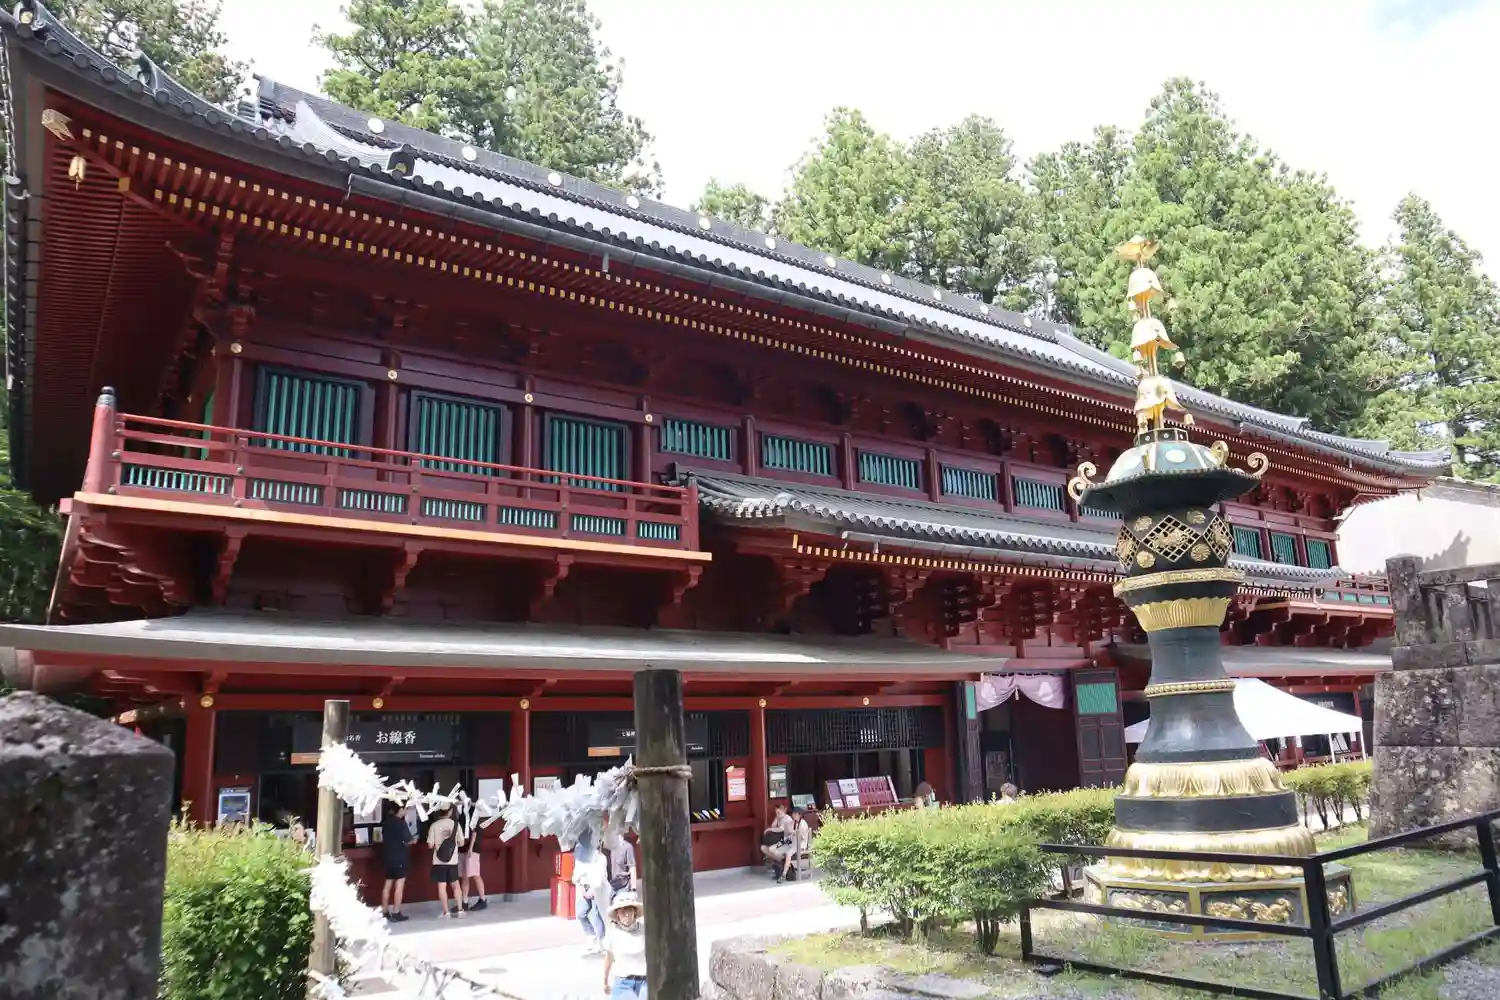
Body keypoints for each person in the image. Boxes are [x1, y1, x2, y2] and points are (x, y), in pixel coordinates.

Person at [602, 890, 647, 999]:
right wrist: (605, 981)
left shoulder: (645, 930)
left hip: (645, 981)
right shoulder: (612, 932)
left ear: (634, 912)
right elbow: (609, 958)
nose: (626, 914)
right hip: (622, 982)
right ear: (617, 914)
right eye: (622, 911)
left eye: (629, 910)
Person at [427, 805, 465, 918]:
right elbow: (462, 843)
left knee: (442, 887)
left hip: (439, 861)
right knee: (456, 886)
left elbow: (430, 845)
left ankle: (446, 912)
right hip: (452, 860)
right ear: (450, 811)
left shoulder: (434, 825)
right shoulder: (456, 825)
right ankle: (460, 910)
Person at [380, 800, 413, 922]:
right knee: (399, 885)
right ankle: (396, 912)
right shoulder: (401, 823)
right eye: (405, 808)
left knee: (387, 885)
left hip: (387, 856)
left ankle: (384, 911)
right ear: (400, 809)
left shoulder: (386, 822)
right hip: (399, 857)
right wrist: (412, 840)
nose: (406, 811)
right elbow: (408, 840)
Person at [573, 844, 608, 954]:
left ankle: (601, 941)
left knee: (596, 914)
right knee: (580, 913)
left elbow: (600, 876)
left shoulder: (600, 858)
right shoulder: (581, 857)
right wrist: (583, 888)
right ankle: (591, 935)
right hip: (585, 887)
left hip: (597, 888)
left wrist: (593, 889)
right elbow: (577, 875)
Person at [777, 807, 812, 883]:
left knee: (788, 853)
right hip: (793, 843)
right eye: (793, 814)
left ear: (799, 815)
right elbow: (789, 833)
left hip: (800, 844)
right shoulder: (794, 822)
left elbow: (801, 835)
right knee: (779, 850)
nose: (794, 815)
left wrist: (794, 832)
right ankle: (786, 869)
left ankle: (784, 874)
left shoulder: (803, 823)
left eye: (795, 814)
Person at [759, 804, 795, 875]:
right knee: (763, 848)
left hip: (788, 841)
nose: (777, 814)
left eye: (778, 812)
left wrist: (769, 829)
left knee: (771, 849)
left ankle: (783, 863)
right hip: (780, 840)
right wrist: (776, 818)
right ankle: (782, 860)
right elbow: (773, 826)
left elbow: (781, 829)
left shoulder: (788, 819)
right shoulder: (779, 818)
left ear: (784, 811)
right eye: (776, 813)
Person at [460, 818, 488, 911]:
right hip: (463, 847)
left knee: (475, 874)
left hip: (473, 849)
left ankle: (483, 899)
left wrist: (471, 848)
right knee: (464, 875)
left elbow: (474, 832)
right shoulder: (463, 813)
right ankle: (464, 902)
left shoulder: (475, 815)